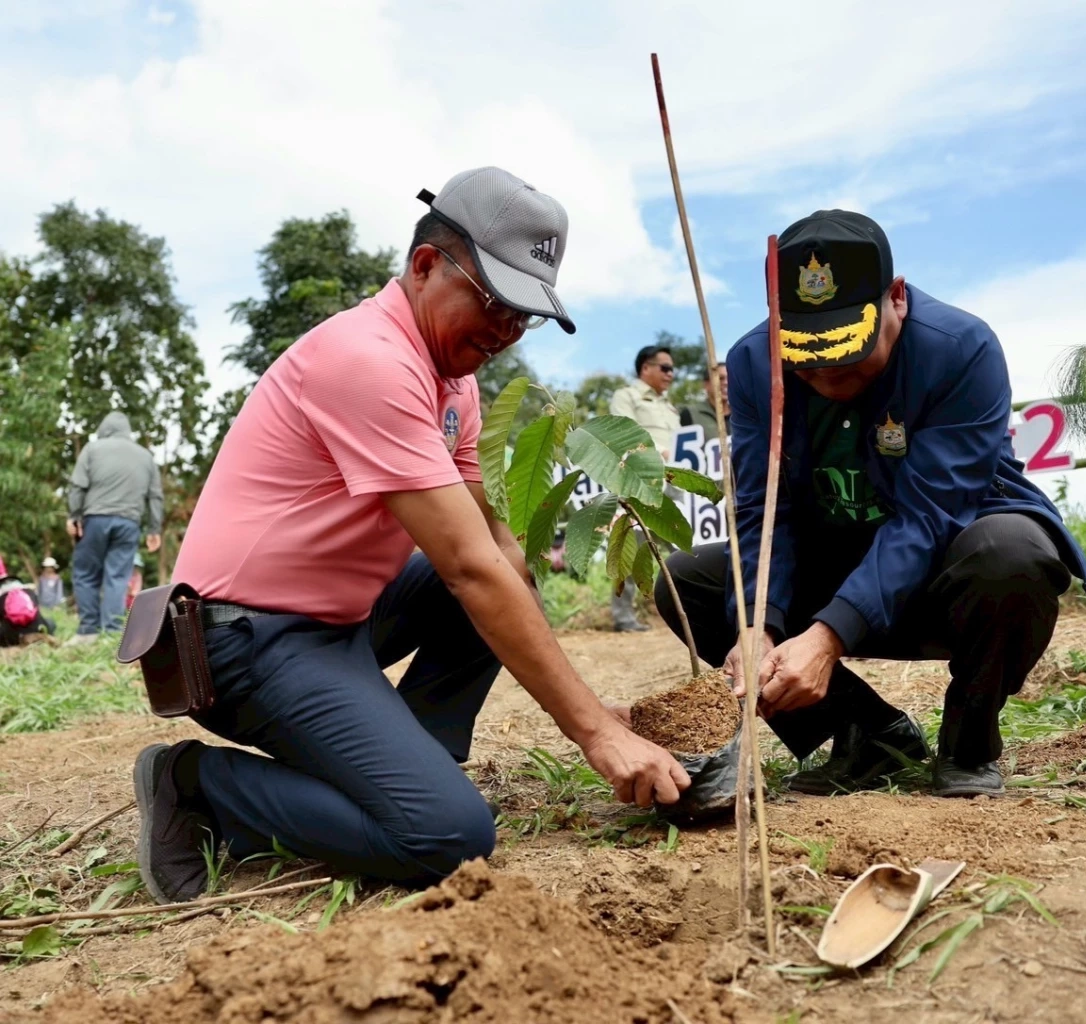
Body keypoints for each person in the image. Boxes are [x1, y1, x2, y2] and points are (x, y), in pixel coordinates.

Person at [135, 167, 688, 906]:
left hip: (335, 623)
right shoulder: (367, 359)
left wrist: (595, 705)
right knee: (448, 840)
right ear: (426, 266)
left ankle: (404, 767)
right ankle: (196, 786)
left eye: (525, 316)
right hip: (243, 639)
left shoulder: (454, 384)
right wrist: (594, 733)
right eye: (495, 302)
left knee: (497, 587)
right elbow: (467, 568)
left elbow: (496, 553)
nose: (505, 331)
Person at [655, 211, 1086, 798]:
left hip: (948, 563)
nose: (828, 375)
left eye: (849, 351)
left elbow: (931, 514)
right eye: (807, 358)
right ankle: (869, 736)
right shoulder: (755, 362)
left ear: (898, 298)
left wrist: (830, 635)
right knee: (690, 582)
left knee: (1012, 553)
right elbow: (765, 508)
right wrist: (759, 623)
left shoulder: (960, 350)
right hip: (838, 556)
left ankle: (969, 743)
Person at [66, 411, 163, 643]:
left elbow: (78, 486)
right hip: (129, 522)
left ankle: (88, 631)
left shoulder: (92, 449)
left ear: (103, 428)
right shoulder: (146, 456)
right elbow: (155, 496)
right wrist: (154, 529)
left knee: (86, 574)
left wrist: (74, 516)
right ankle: (111, 633)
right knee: (118, 577)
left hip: (95, 519)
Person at [607, 345, 683, 632]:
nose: (671, 374)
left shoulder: (669, 407)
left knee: (685, 549)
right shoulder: (626, 397)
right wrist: (659, 451)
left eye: (672, 369)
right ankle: (623, 618)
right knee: (630, 550)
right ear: (645, 368)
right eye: (665, 368)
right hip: (639, 486)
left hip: (674, 487)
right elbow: (623, 434)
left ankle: (688, 611)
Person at [680, 363, 730, 435]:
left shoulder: (742, 414)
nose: (726, 382)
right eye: (720, 378)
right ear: (706, 385)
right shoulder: (690, 414)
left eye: (730, 378)